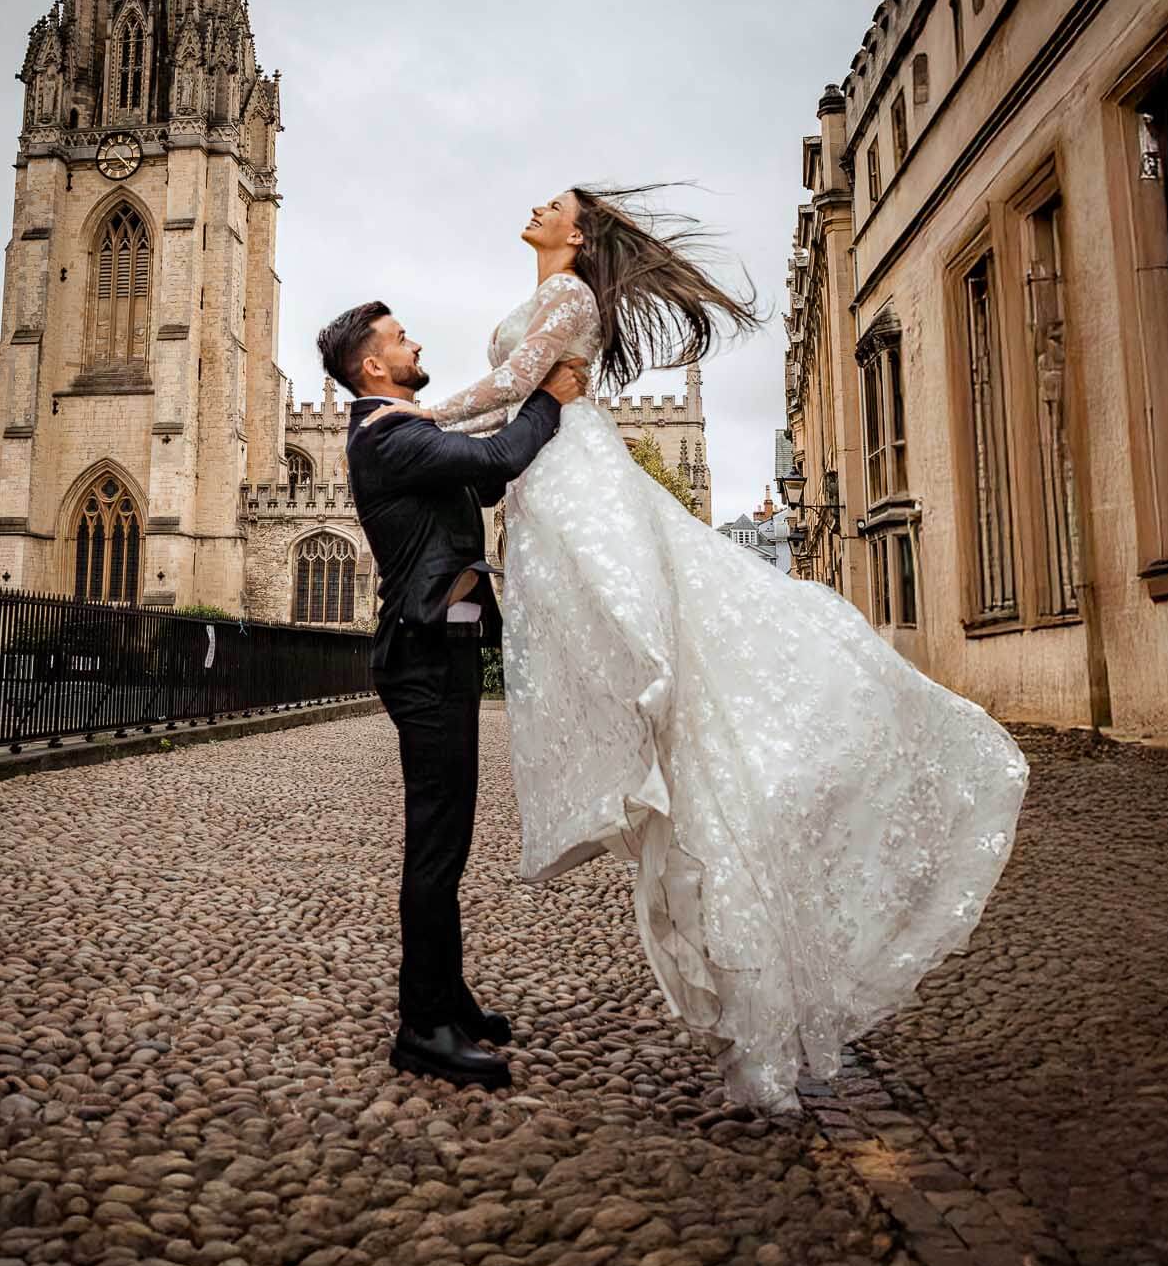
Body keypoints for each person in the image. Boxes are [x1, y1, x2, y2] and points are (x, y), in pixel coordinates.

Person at [361, 188, 1029, 1112]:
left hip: (566, 468)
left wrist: (425, 422)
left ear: (579, 232)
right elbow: (506, 420)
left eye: (551, 204)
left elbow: (517, 386)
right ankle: (448, 990)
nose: (533, 206)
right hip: (540, 482)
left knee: (659, 646)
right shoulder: (518, 326)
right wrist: (429, 430)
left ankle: (645, 735)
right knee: (641, 654)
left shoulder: (568, 300)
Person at [317, 299, 586, 1092]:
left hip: (446, 652)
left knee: (451, 843)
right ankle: (421, 1028)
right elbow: (499, 460)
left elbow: (485, 485)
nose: (415, 343)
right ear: (372, 367)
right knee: (435, 850)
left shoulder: (409, 434)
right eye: (401, 340)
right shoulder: (390, 435)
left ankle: (448, 998)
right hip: (425, 661)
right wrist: (548, 399)